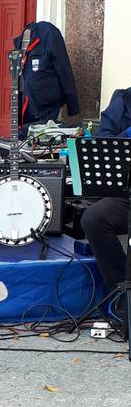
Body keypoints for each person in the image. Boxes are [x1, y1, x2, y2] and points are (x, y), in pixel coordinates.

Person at [81, 87, 131, 307]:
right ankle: (121, 292)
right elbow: (104, 141)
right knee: (94, 218)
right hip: (127, 193)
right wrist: (128, 134)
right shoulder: (123, 102)